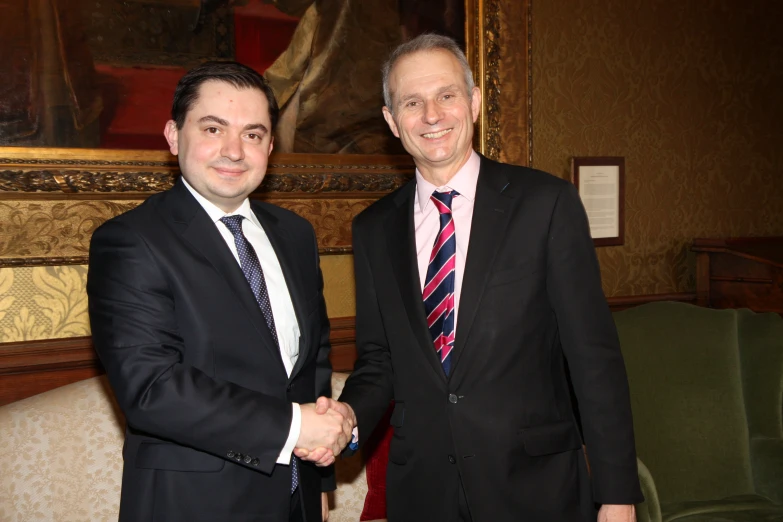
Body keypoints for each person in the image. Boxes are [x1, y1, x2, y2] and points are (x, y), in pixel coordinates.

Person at [317, 34, 644, 521]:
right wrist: (346, 421)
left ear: (472, 104)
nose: (432, 115)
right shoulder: (373, 228)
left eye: (446, 95)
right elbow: (379, 360)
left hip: (536, 488)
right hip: (424, 491)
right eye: (412, 101)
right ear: (391, 120)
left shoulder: (545, 204)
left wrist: (617, 496)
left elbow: (592, 357)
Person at [87, 61, 352, 522]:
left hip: (297, 497)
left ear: (271, 145)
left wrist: (320, 475)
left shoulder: (295, 234)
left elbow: (313, 362)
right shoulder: (131, 240)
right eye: (213, 128)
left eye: (252, 134)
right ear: (173, 136)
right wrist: (295, 427)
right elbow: (152, 388)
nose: (234, 150)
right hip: (195, 504)